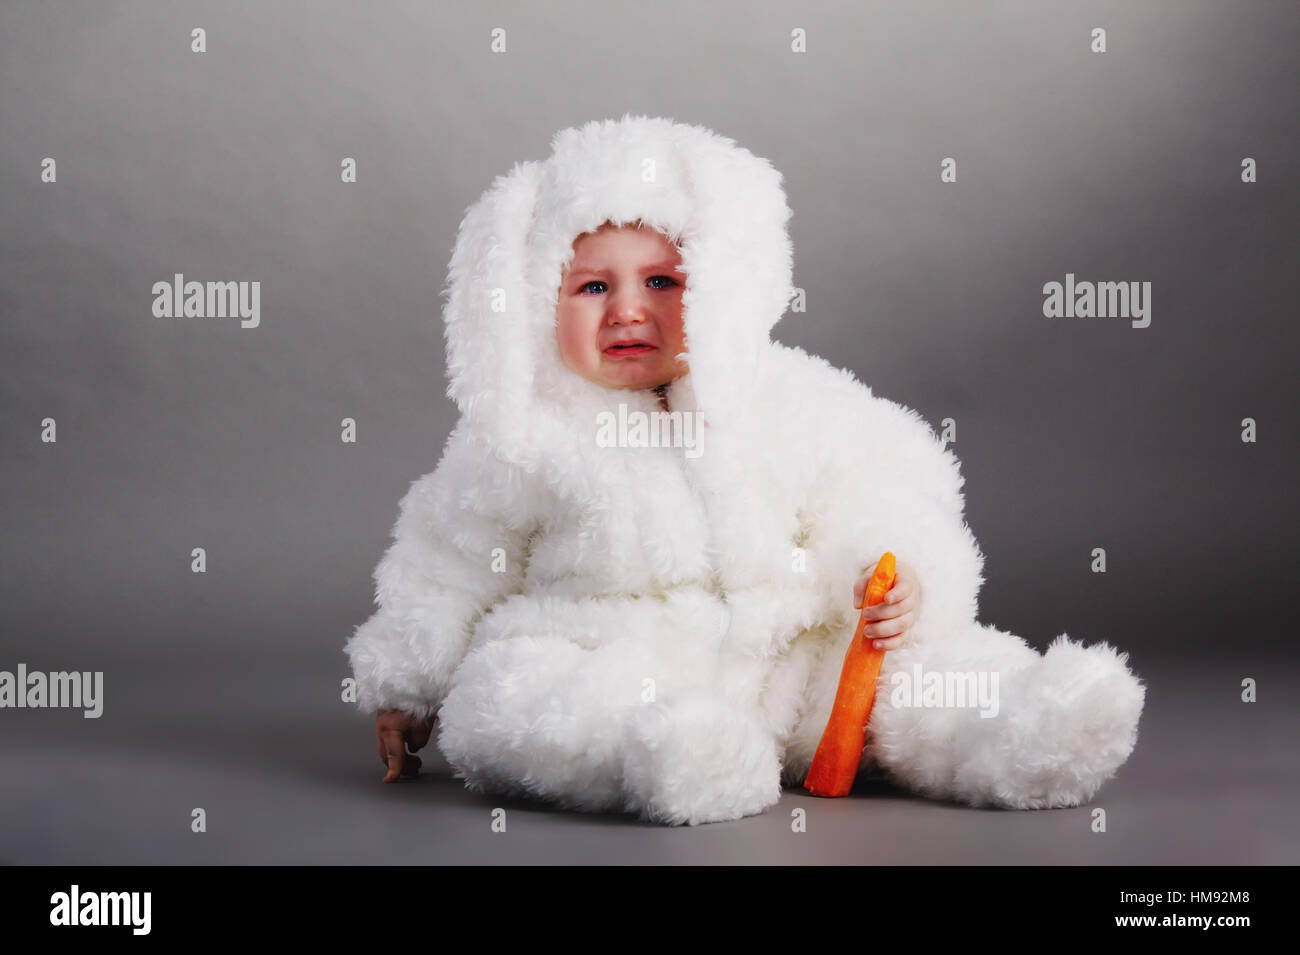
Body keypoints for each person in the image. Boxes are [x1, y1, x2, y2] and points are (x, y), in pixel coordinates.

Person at [345, 114, 1145, 825]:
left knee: (917, 674)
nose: (629, 309)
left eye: (662, 281)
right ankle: (655, 754)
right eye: (593, 286)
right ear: (531, 301)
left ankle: (1016, 723)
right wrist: (405, 681)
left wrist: (883, 565)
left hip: (791, 664)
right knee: (508, 692)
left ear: (720, 284)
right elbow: (444, 557)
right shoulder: (520, 437)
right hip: (613, 656)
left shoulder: (779, 393)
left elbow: (877, 472)